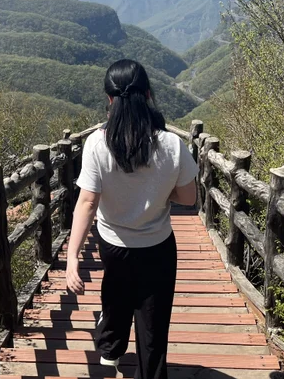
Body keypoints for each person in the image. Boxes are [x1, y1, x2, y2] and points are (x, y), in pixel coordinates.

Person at [65, 59, 198, 379]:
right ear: (148, 94)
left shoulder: (97, 144)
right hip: (157, 245)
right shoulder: (172, 144)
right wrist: (158, 191)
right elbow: (189, 198)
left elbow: (87, 202)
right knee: (153, 323)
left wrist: (72, 256)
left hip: (113, 244)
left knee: (116, 296)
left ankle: (111, 349)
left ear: (110, 99)